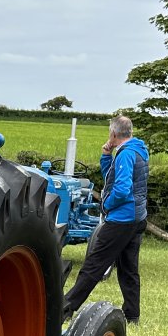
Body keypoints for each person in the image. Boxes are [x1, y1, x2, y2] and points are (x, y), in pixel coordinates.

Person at [62, 114, 149, 325]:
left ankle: (65, 308)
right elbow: (111, 177)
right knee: (129, 269)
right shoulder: (139, 150)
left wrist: (107, 205)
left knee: (93, 265)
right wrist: (106, 154)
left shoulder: (126, 154)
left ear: (113, 133)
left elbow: (120, 189)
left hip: (121, 220)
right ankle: (132, 315)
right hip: (138, 218)